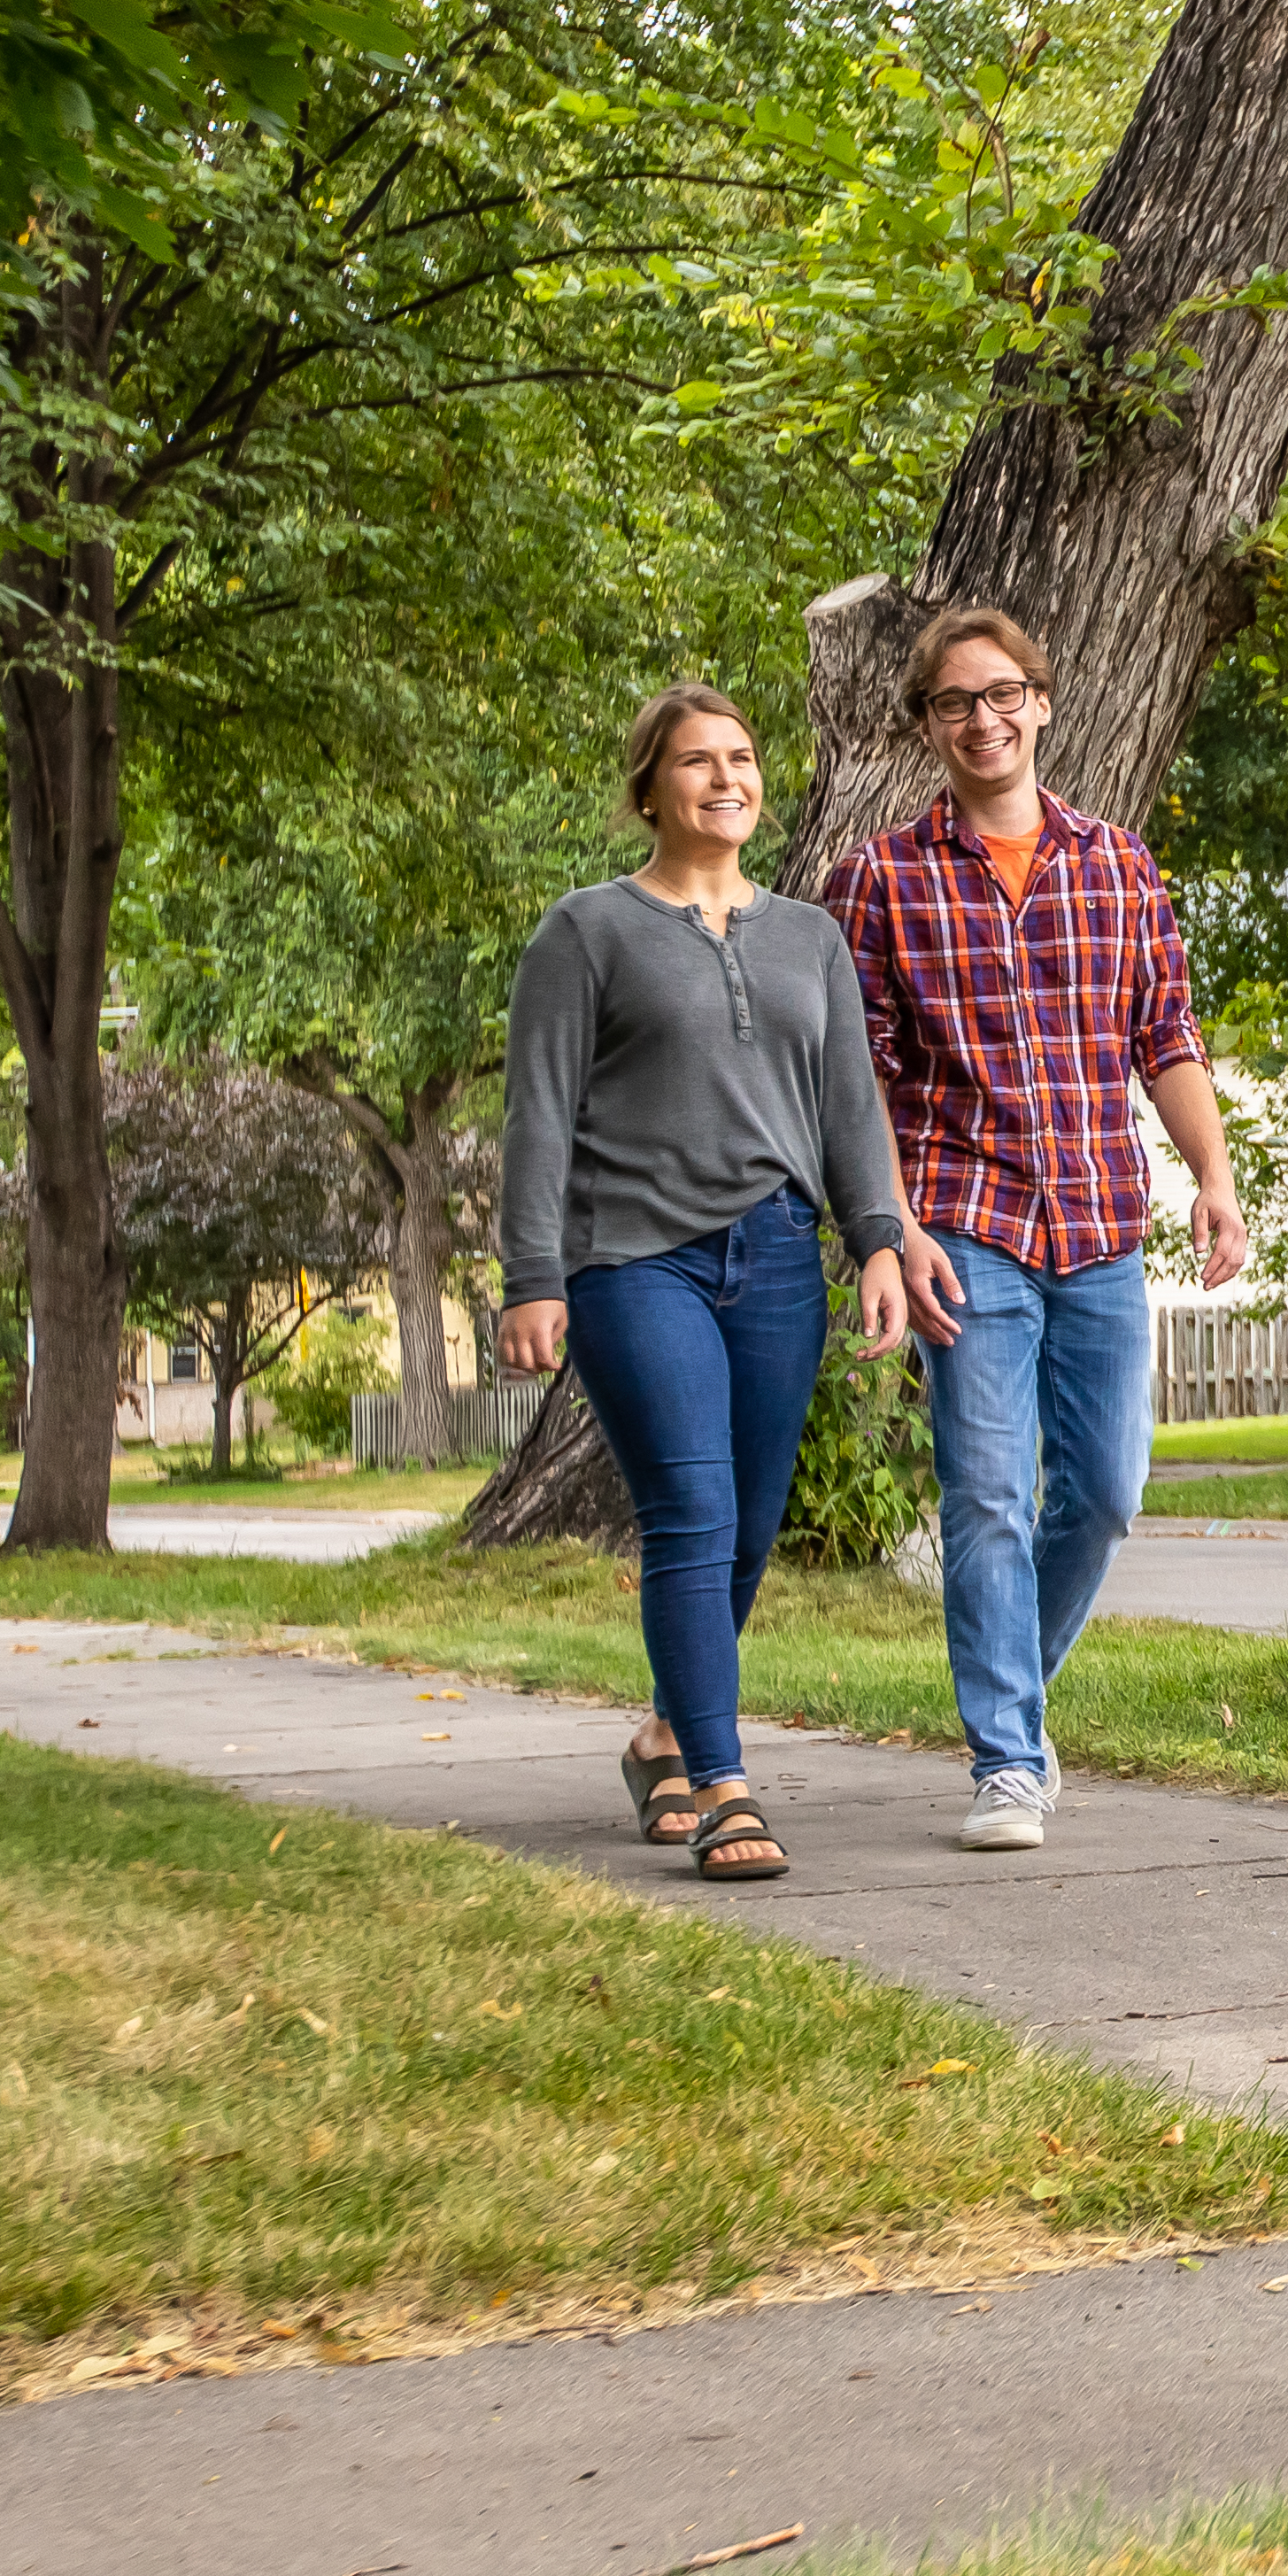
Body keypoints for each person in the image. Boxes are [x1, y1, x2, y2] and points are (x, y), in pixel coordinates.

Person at [830, 601, 1248, 1852]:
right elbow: (862, 1076)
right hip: (966, 1223)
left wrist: (1213, 1179)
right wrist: (894, 1228)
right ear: (926, 725)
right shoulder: (881, 879)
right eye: (956, 700)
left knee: (1110, 1492)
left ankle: (1020, 1693)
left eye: (1003, 692)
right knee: (988, 1496)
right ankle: (1008, 1759)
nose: (984, 717)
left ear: (1042, 702)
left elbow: (1162, 1035)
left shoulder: (1116, 863)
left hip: (1102, 1219)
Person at [497, 684, 920, 1884]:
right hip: (634, 1259)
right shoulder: (587, 932)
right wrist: (534, 1273)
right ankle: (727, 1783)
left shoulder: (808, 938)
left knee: (746, 1524)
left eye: (741, 757)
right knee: (692, 1505)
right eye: (696, 761)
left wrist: (878, 1238)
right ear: (650, 787)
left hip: (779, 1253)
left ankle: (665, 1738)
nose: (725, 777)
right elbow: (539, 1117)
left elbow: (849, 1106)